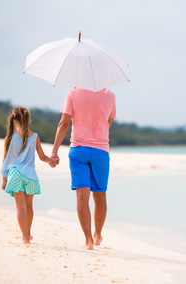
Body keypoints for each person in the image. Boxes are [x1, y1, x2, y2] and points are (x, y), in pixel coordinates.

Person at [51, 88, 116, 250]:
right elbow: (108, 122)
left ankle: (88, 241)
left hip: (78, 150)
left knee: (82, 196)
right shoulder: (110, 95)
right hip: (100, 151)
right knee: (100, 195)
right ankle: (97, 234)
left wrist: (54, 151)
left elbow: (63, 123)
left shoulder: (73, 94)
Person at [1, 107, 58, 244]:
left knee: (20, 207)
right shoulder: (35, 137)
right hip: (31, 176)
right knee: (29, 206)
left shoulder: (11, 137)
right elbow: (42, 156)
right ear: (29, 120)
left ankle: (25, 238)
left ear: (14, 121)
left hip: (15, 175)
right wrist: (52, 161)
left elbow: (6, 159)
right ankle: (28, 232)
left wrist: (4, 179)